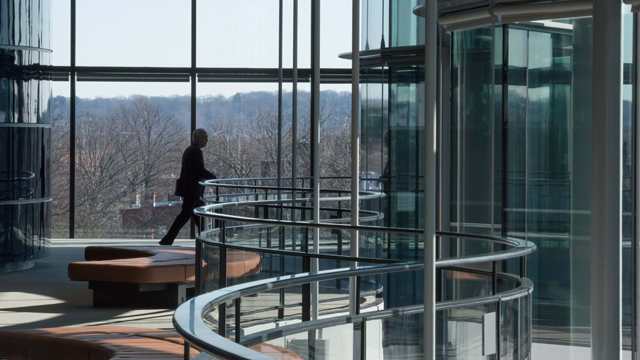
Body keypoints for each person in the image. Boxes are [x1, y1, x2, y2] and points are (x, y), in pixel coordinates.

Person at [159, 128, 216, 246]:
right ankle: (168, 239)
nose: (207, 140)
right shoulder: (196, 151)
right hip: (192, 189)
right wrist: (213, 177)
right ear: (199, 138)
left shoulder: (190, 150)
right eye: (205, 137)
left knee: (196, 216)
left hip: (190, 189)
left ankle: (208, 238)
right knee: (187, 215)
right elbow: (198, 169)